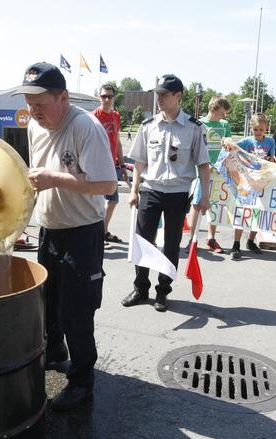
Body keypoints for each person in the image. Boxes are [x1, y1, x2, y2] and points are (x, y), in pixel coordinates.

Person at [16, 62, 116, 411]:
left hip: (81, 233)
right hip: (50, 230)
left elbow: (107, 185)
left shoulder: (85, 127)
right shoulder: (35, 126)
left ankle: (83, 381)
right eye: (29, 103)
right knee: (48, 305)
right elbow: (34, 179)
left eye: (41, 103)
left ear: (63, 97)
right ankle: (55, 353)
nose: (33, 111)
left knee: (77, 311)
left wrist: (55, 179)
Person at [121, 74, 210, 312]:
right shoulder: (148, 126)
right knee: (142, 242)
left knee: (171, 244)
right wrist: (134, 190)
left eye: (164, 95)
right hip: (150, 190)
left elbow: (203, 165)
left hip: (178, 193)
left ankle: (163, 291)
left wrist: (205, 196)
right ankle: (141, 288)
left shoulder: (193, 128)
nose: (158, 99)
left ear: (178, 96)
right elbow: (139, 162)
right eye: (157, 94)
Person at [186, 95, 231, 254]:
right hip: (201, 171)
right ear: (213, 109)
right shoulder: (199, 124)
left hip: (218, 172)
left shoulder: (224, 124)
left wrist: (228, 144)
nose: (224, 116)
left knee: (215, 204)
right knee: (197, 204)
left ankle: (211, 239)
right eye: (222, 113)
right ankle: (193, 238)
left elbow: (228, 147)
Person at [229, 112, 275, 259]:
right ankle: (236, 244)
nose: (258, 132)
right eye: (256, 130)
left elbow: (272, 158)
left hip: (261, 181)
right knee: (242, 212)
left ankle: (251, 241)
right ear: (251, 128)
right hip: (246, 181)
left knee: (258, 212)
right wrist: (228, 142)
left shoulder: (270, 142)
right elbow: (233, 148)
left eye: (261, 129)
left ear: (266, 128)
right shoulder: (247, 141)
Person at [92, 84, 126, 246]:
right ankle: (97, 234)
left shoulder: (116, 116)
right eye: (104, 96)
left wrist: (123, 165)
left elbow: (117, 142)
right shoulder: (93, 117)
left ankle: (103, 231)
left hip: (112, 165)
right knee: (96, 202)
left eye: (110, 96)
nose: (106, 99)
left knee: (112, 200)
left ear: (114, 98)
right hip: (96, 165)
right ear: (99, 97)